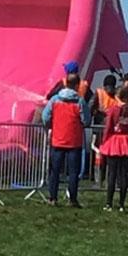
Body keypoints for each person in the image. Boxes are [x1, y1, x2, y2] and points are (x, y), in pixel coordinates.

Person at [42, 73, 91, 207]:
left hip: (57, 140)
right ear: (77, 85)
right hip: (74, 141)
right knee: (73, 173)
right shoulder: (80, 101)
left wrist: (51, 125)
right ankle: (72, 200)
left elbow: (45, 116)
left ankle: (53, 198)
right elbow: (86, 120)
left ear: (65, 84)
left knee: (55, 171)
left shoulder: (55, 100)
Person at [100, 86, 128, 212]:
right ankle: (121, 203)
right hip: (125, 141)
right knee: (123, 175)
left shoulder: (113, 110)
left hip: (113, 141)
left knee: (112, 174)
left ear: (117, 96)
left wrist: (104, 141)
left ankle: (108, 203)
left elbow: (108, 127)